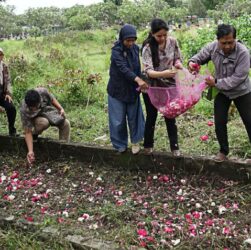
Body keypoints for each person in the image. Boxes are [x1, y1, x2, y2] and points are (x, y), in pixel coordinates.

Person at [188, 24, 251, 162]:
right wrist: (192, 62)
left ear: (235, 39)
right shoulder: (213, 47)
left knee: (249, 121)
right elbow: (199, 57)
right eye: (224, 43)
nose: (227, 46)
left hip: (242, 91)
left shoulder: (243, 53)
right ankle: (223, 151)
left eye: (230, 42)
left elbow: (238, 78)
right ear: (218, 40)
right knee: (220, 121)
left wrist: (215, 83)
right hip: (222, 91)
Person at [141, 18, 183, 156]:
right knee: (151, 116)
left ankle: (174, 146)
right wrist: (163, 73)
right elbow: (148, 71)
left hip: (168, 86)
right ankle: (148, 145)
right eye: (159, 36)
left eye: (165, 35)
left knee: (170, 115)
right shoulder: (147, 47)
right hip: (151, 87)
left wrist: (177, 64)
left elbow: (177, 58)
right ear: (152, 34)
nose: (162, 38)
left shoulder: (173, 42)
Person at [107, 24, 148, 154]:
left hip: (132, 89)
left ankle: (135, 142)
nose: (130, 43)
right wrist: (138, 80)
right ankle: (120, 145)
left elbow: (137, 67)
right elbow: (123, 68)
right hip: (117, 90)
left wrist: (143, 79)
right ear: (121, 39)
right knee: (117, 120)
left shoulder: (135, 48)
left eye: (133, 40)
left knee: (134, 117)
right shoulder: (116, 51)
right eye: (127, 40)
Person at [20, 87, 70, 164]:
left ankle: (63, 150)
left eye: (35, 106)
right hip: (37, 119)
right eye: (32, 108)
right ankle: (34, 135)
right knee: (44, 123)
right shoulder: (24, 109)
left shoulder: (43, 92)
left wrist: (61, 109)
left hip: (47, 111)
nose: (34, 109)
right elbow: (27, 130)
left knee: (66, 123)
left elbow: (52, 99)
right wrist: (30, 151)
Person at [0, 48, 17, 136]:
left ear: (2, 56)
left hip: (2, 93)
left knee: (11, 108)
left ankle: (12, 130)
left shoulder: (4, 66)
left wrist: (8, 94)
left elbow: (9, 82)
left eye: (0, 54)